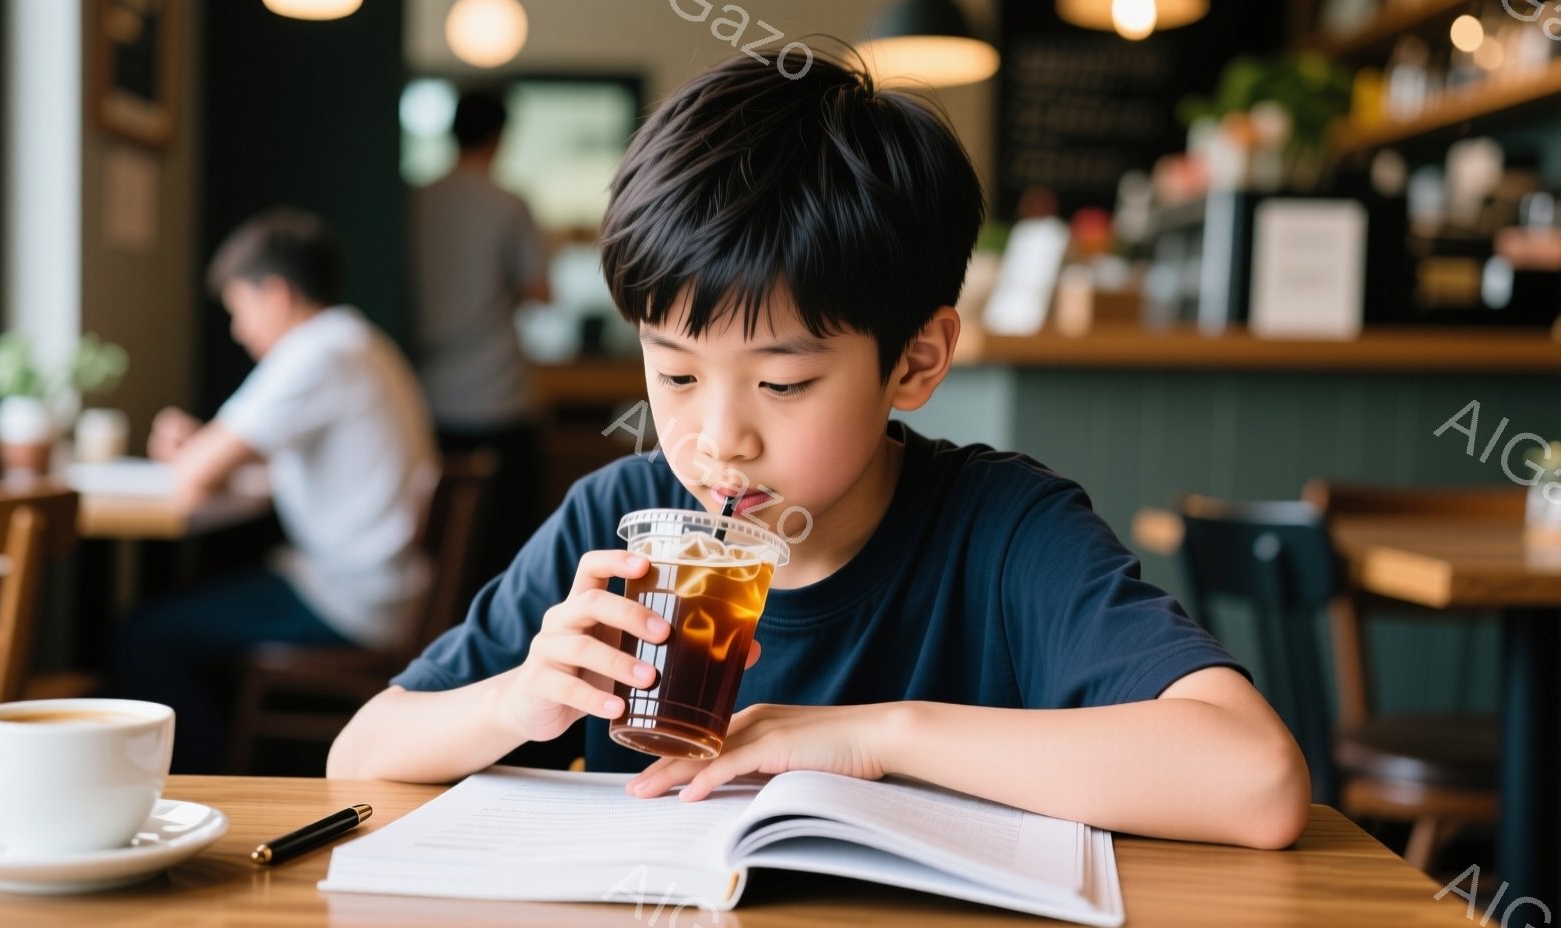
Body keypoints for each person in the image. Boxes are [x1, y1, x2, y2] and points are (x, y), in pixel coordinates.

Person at [328, 52, 1311, 849]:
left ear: (915, 361)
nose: (717, 439)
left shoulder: (1002, 531)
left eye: (782, 383)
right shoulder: (611, 523)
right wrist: (520, 699)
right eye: (673, 375)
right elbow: (358, 752)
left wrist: (869, 734)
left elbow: (1254, 780)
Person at [117, 207, 435, 772]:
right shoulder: (359, 342)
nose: (240, 330)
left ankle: (202, 787)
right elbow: (247, 467)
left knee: (143, 636)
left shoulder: (315, 352)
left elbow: (195, 477)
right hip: (383, 588)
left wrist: (190, 449)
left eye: (240, 308)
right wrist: (204, 449)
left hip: (347, 601)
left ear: (276, 294)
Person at [412, 89, 552, 588]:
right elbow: (540, 291)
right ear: (498, 139)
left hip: (427, 396)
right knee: (504, 544)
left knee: (443, 544)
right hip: (497, 397)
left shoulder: (414, 200)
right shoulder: (509, 204)